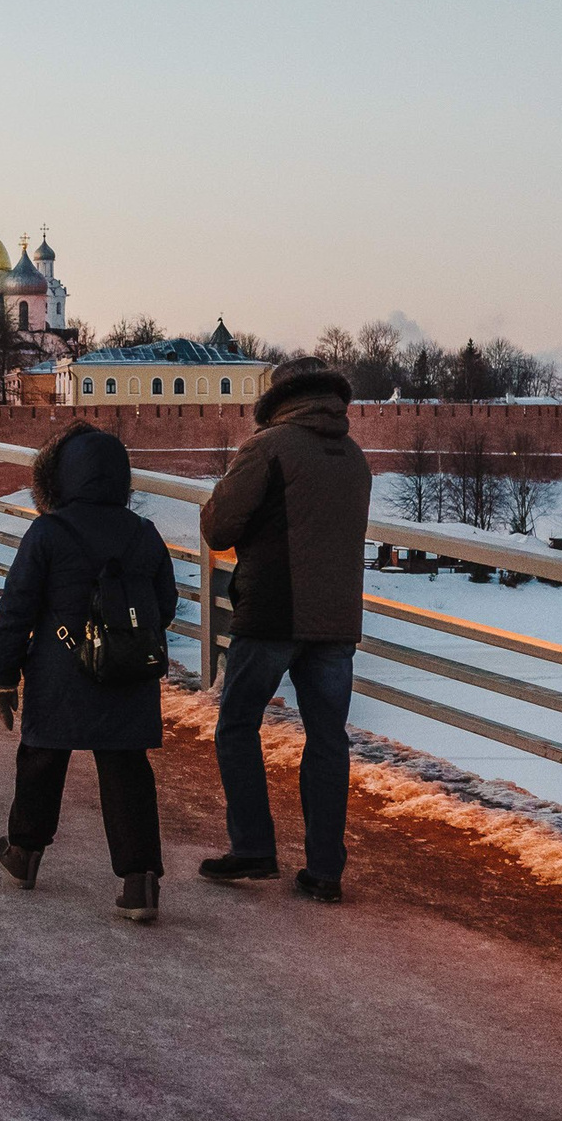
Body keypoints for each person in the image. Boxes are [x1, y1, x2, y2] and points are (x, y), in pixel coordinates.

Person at [198, 359, 373, 904]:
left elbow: (217, 526)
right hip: (336, 619)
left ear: (279, 398)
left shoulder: (268, 447)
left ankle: (252, 848)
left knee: (237, 725)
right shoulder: (355, 458)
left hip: (272, 611)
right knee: (327, 741)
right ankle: (324, 870)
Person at [0, 422, 178, 923]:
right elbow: (164, 606)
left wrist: (3, 678)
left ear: (60, 477)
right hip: (127, 674)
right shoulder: (144, 534)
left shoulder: (48, 531)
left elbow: (17, 610)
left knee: (42, 760)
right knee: (126, 771)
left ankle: (24, 855)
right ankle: (140, 883)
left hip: (59, 669)